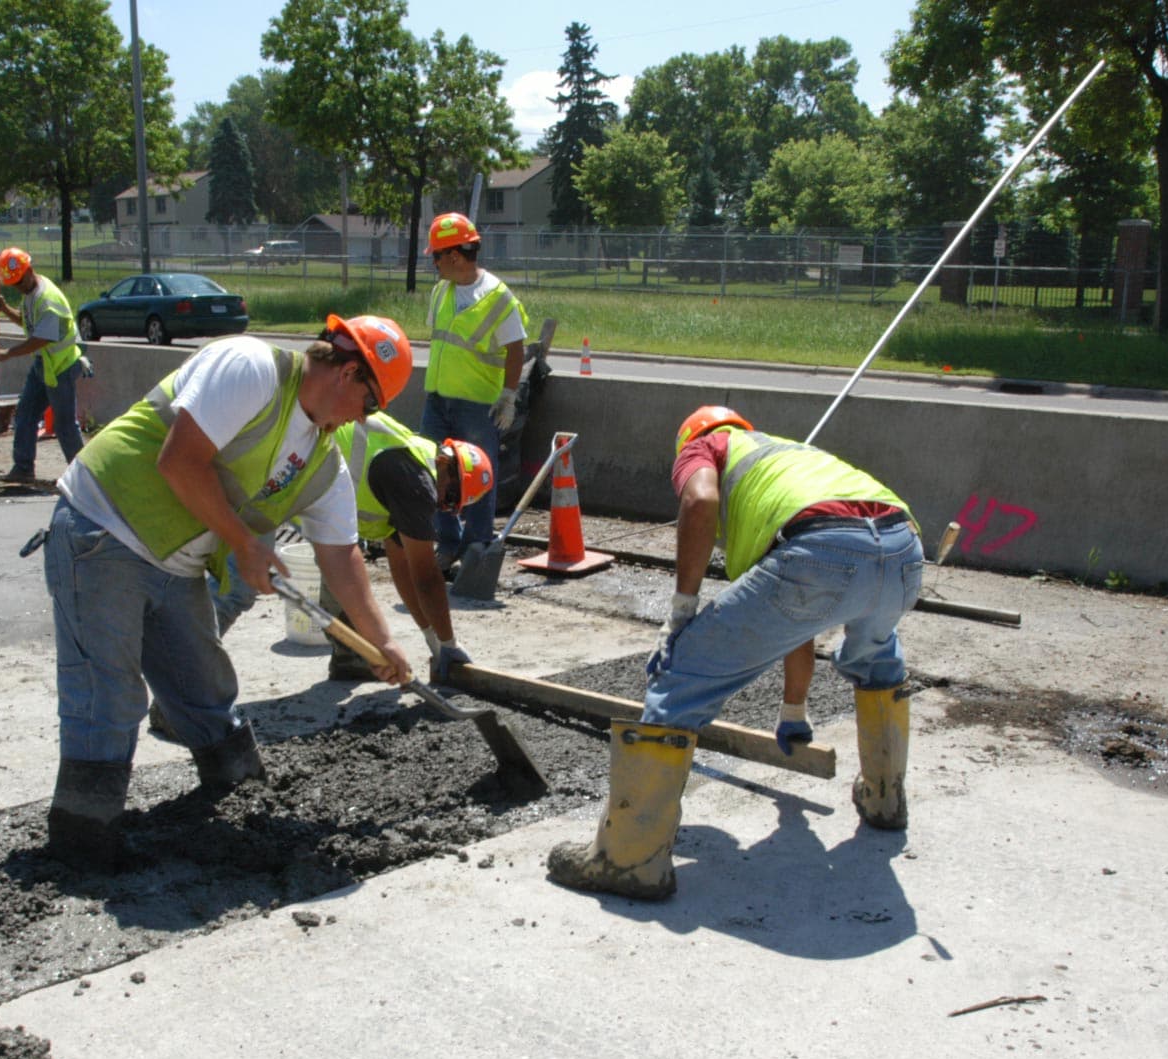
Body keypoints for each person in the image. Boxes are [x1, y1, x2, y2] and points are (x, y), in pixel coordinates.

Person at [42, 313, 418, 869]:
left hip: (175, 565)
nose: (363, 419)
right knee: (108, 695)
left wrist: (382, 641)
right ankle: (83, 842)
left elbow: (341, 557)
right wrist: (244, 544)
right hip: (106, 529)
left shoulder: (323, 463)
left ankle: (241, 798)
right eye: (371, 405)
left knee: (205, 688)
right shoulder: (251, 369)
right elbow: (179, 458)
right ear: (348, 373)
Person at [548, 406, 922, 901]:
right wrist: (794, 711)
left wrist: (682, 611)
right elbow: (797, 624)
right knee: (878, 665)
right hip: (902, 551)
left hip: (822, 550)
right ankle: (885, 799)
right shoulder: (783, 454)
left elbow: (700, 501)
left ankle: (628, 859)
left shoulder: (705, 448)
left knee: (681, 676)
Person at [198, 416, 490, 686]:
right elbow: (426, 578)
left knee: (342, 572)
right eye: (450, 494)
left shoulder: (412, 467)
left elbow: (405, 572)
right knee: (237, 586)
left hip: (311, 493)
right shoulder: (416, 482)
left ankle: (350, 659)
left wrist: (433, 641)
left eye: (451, 505)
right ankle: (186, 683)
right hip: (279, 472)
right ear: (444, 462)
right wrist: (449, 644)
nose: (442, 504)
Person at [420, 212, 527, 568]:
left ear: (453, 256)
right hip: (438, 400)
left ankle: (477, 544)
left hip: (476, 404)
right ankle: (447, 543)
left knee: (478, 475)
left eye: (436, 256)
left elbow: (516, 348)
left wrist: (508, 396)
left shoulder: (498, 297)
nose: (433, 263)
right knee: (436, 471)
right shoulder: (440, 292)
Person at [0, 247, 87, 482]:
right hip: (45, 364)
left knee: (64, 425)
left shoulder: (48, 299)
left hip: (61, 366)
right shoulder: (30, 294)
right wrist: (4, 309)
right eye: (14, 284)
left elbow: (40, 338)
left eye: (20, 281)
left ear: (29, 271)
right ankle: (23, 468)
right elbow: (27, 322)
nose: (18, 287)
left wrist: (7, 354)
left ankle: (84, 477)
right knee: (26, 413)